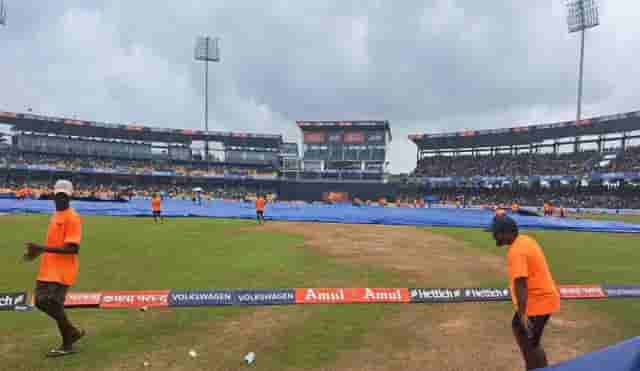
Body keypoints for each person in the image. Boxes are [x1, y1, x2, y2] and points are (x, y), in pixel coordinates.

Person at [23, 179, 85, 357]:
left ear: (69, 197)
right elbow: (54, 243)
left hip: (63, 270)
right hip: (48, 268)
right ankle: (71, 334)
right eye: (58, 195)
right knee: (40, 302)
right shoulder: (55, 215)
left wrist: (42, 248)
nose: (60, 199)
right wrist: (38, 253)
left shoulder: (72, 217)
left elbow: (73, 248)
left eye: (63, 196)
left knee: (51, 303)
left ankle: (68, 343)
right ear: (53, 196)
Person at [490, 215, 560, 370]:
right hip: (540, 300)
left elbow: (521, 284)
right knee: (530, 342)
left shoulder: (517, 252)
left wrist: (522, 314)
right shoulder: (524, 240)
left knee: (529, 344)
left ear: (507, 233)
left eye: (496, 233)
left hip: (538, 303)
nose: (493, 236)